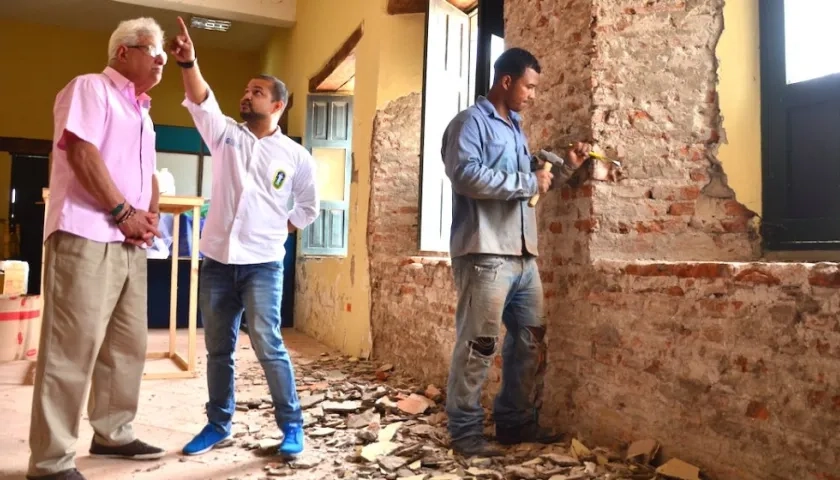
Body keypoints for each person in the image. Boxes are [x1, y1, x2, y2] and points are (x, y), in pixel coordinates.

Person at [167, 17, 319, 458]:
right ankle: (219, 424)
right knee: (219, 349)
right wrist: (189, 61)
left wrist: (274, 230)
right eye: (246, 90)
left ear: (278, 105)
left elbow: (307, 209)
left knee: (269, 345)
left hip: (263, 266)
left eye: (257, 91)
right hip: (216, 262)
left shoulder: (297, 158)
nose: (246, 95)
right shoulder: (225, 137)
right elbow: (202, 100)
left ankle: (292, 427)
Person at [27, 17, 167, 480]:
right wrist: (125, 213)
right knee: (70, 349)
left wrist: (149, 216)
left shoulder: (143, 111)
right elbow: (82, 151)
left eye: (164, 52)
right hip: (87, 233)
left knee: (127, 347)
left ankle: (113, 432)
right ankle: (50, 461)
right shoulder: (90, 88)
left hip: (129, 242)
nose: (162, 59)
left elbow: (147, 172)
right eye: (153, 49)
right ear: (123, 52)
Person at [441, 47, 591, 457]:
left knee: (529, 340)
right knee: (479, 345)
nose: (533, 94)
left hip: (523, 255)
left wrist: (563, 170)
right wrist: (528, 183)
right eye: (529, 86)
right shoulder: (469, 123)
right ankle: (466, 434)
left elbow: (529, 185)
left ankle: (514, 423)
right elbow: (466, 175)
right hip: (485, 253)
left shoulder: (515, 127)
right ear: (506, 81)